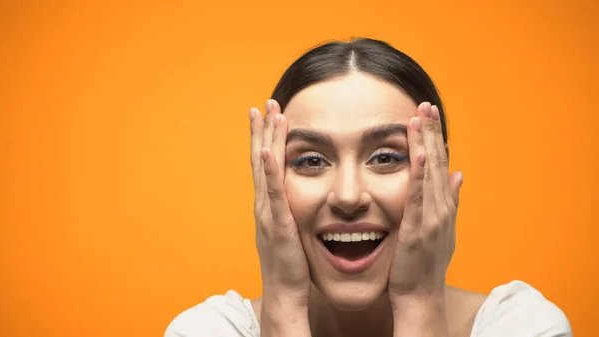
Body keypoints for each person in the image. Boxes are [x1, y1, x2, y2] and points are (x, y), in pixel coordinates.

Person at [164, 38, 572, 337]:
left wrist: (418, 305)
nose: (347, 196)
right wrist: (284, 307)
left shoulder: (524, 326)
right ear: (267, 181)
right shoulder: (208, 330)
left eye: (385, 158)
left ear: (438, 174)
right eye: (310, 160)